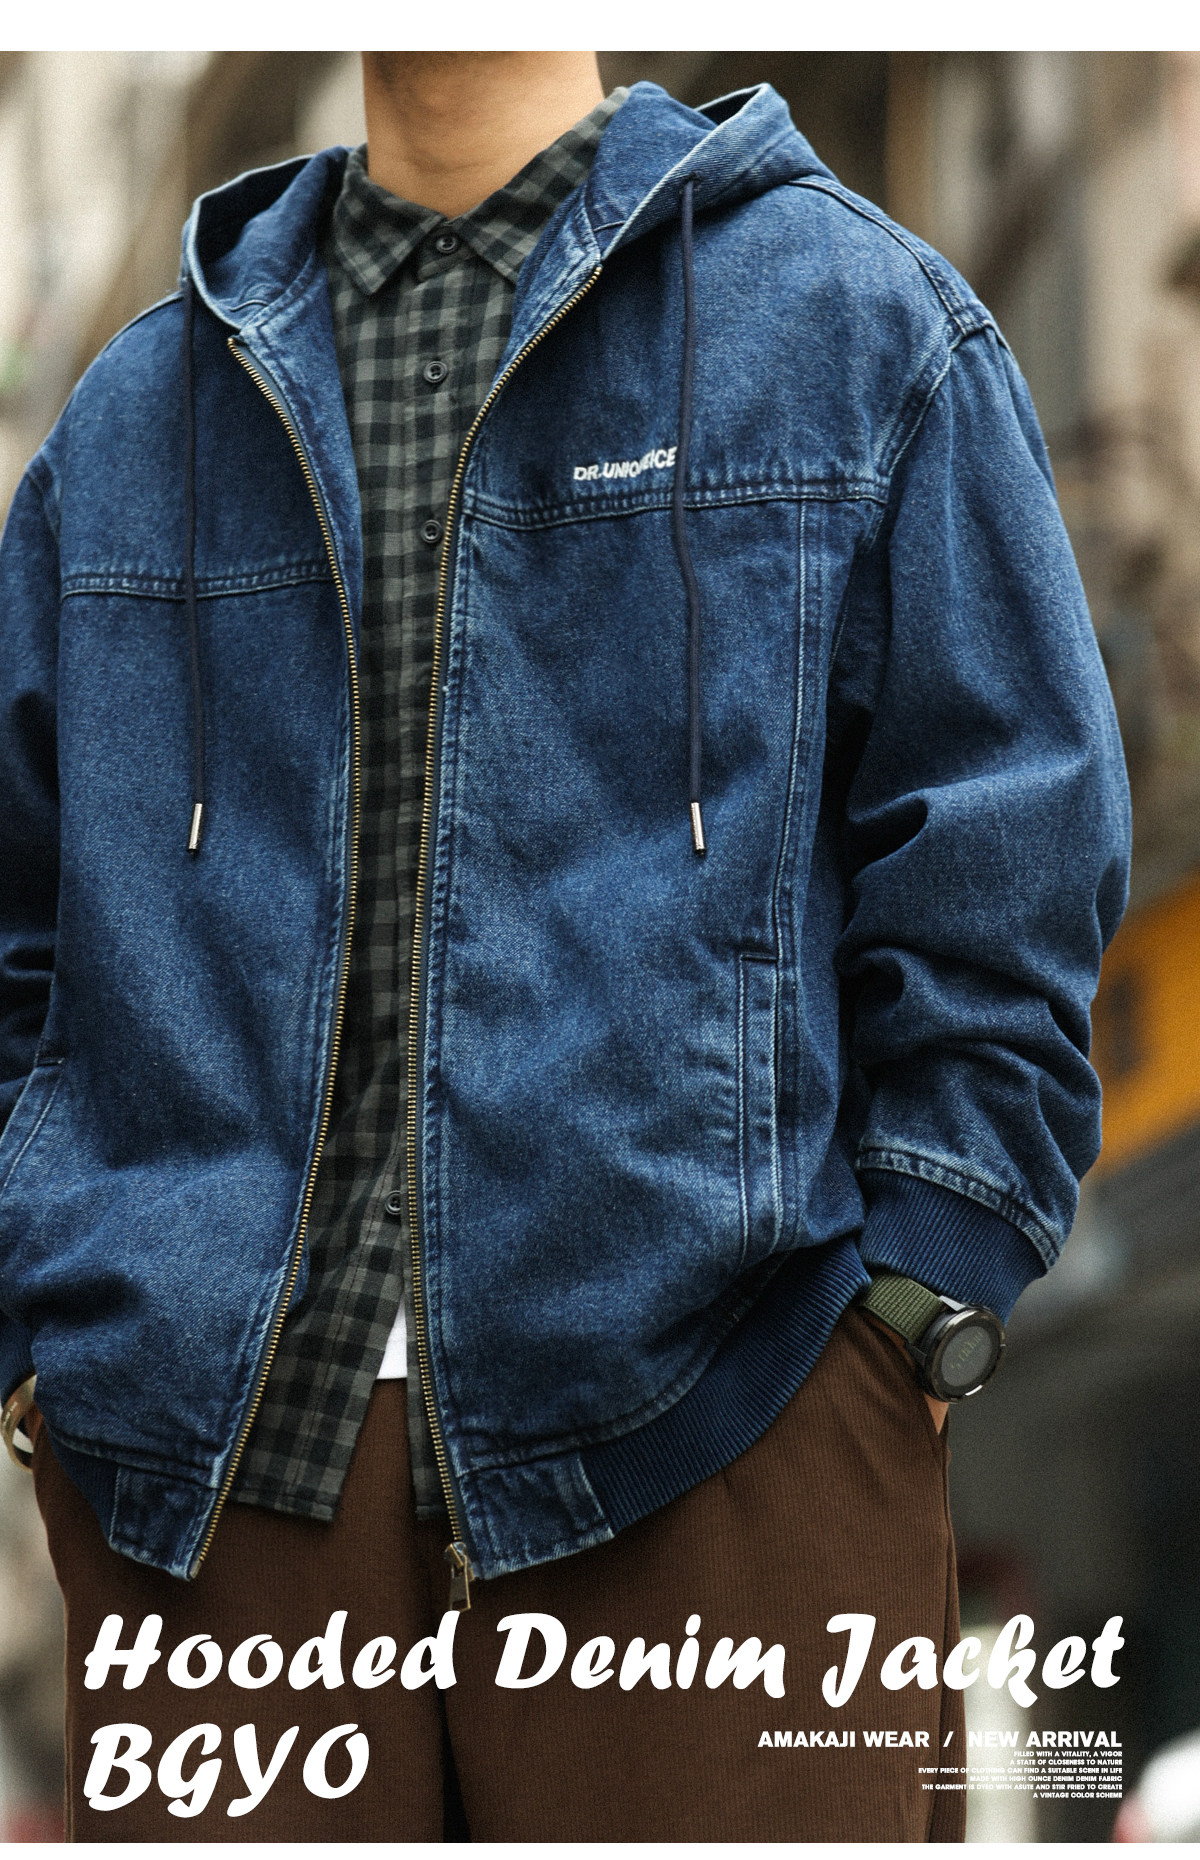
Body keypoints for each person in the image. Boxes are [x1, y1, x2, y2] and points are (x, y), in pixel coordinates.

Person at [0, 50, 1130, 1842]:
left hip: (729, 1434)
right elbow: (21, 932)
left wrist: (912, 1317)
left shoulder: (855, 328)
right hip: (207, 1497)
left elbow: (1009, 850)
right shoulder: (133, 426)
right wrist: (42, 1342)